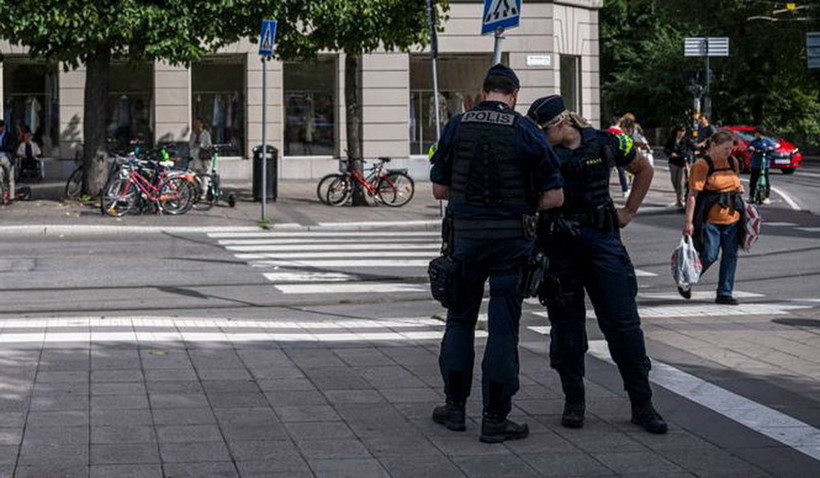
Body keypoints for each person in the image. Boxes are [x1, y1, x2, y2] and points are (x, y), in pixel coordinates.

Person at [430, 64, 564, 444]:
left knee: (459, 320)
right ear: (515, 95)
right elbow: (555, 196)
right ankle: (495, 418)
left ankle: (454, 409)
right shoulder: (525, 131)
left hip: (465, 243)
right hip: (511, 245)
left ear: (483, 90)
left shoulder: (458, 125)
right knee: (503, 328)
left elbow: (440, 190)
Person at [527, 95, 667, 434]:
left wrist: (629, 211)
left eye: (544, 131)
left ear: (562, 123)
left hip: (602, 242)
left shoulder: (607, 141)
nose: (539, 137)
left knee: (623, 326)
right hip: (559, 246)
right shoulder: (538, 151)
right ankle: (574, 401)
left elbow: (644, 169)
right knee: (566, 328)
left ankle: (642, 403)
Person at [682, 130, 744, 305]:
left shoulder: (732, 162)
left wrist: (738, 190)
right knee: (709, 255)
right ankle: (687, 279)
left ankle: (724, 293)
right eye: (725, 149)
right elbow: (692, 195)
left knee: (731, 256)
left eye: (731, 148)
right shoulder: (702, 165)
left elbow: (735, 182)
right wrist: (688, 222)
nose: (729, 152)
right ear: (714, 146)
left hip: (733, 217)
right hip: (710, 220)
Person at [664, 125, 692, 208]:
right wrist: (670, 153)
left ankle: (680, 200)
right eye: (680, 131)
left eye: (683, 132)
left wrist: (683, 155)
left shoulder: (686, 141)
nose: (681, 133)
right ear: (676, 132)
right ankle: (679, 196)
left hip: (682, 163)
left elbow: (691, 150)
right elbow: (666, 149)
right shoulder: (671, 140)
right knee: (674, 181)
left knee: (680, 182)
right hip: (673, 162)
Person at [747, 126, 776, 205]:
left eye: (756, 132)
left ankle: (767, 197)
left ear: (760, 133)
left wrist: (770, 148)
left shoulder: (767, 141)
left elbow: (773, 148)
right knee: (753, 181)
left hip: (764, 164)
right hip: (755, 164)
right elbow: (748, 148)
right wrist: (751, 148)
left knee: (766, 181)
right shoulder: (754, 141)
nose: (755, 134)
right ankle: (751, 196)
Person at [609, 113, 635, 198]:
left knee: (608, 174)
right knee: (621, 173)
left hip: (610, 154)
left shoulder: (610, 130)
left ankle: (605, 191)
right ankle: (625, 190)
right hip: (619, 154)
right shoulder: (621, 131)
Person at [189, 118, 213, 193]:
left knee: (203, 174)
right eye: (196, 123)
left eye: (199, 123)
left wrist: (201, 145)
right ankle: (195, 190)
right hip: (194, 156)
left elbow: (209, 145)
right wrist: (194, 141)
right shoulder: (193, 133)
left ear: (202, 124)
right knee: (193, 173)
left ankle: (204, 191)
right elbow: (190, 145)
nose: (197, 125)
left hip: (202, 156)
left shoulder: (206, 133)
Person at [0, 120, 17, 201]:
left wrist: (3, 148)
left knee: (10, 178)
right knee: (0, 178)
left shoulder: (9, 135)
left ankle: (11, 196)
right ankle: (3, 196)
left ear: (3, 127)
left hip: (7, 158)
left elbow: (12, 147)